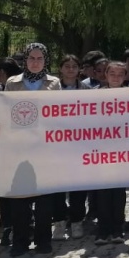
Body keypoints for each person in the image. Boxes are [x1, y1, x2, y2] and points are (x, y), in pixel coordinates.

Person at [1, 43, 63, 255]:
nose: (35, 62)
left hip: (44, 147)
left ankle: (43, 240)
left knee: (44, 198)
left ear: (46, 61)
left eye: (39, 58)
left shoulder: (54, 83)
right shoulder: (12, 83)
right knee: (20, 198)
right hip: (19, 148)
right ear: (25, 60)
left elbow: (58, 113)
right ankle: (20, 240)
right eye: (31, 58)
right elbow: (6, 112)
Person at [94, 62, 129, 246]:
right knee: (102, 193)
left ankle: (118, 229)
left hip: (122, 151)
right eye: (112, 73)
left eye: (120, 74)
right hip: (101, 152)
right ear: (105, 75)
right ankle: (102, 229)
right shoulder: (95, 96)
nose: (116, 77)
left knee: (119, 193)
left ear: (125, 76)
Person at [57, 54, 91, 238]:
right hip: (57, 145)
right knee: (58, 186)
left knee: (78, 185)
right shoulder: (51, 89)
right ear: (60, 68)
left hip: (80, 144)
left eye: (74, 66)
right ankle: (60, 221)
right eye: (67, 66)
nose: (70, 69)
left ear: (80, 69)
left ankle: (77, 221)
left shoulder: (86, 89)